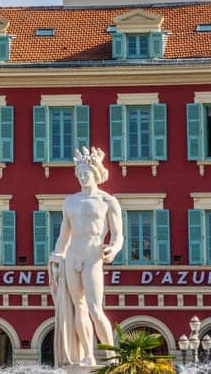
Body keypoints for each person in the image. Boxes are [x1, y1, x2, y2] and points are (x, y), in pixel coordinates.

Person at [48, 146, 124, 369]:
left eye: (86, 173)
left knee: (94, 307)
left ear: (96, 174)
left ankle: (112, 356)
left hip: (93, 256)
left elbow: (119, 235)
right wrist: (56, 259)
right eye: (79, 173)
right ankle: (88, 355)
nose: (82, 177)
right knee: (78, 306)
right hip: (72, 257)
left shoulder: (107, 201)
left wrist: (114, 248)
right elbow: (64, 236)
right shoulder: (70, 202)